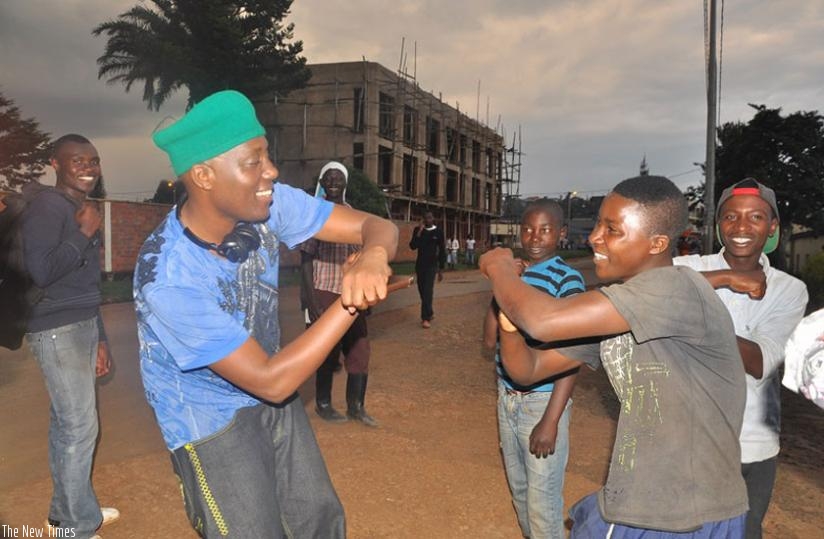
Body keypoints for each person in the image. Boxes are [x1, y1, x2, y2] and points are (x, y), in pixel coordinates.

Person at [134, 90, 398, 538]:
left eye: (267, 156)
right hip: (210, 420)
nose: (271, 171)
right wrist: (350, 301)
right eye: (254, 160)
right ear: (203, 175)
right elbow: (272, 381)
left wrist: (373, 255)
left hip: (275, 393)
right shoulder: (168, 277)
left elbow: (378, 226)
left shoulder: (268, 204)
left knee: (318, 520)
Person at [481, 175, 750, 537]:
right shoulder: (621, 308)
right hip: (640, 501)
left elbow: (543, 321)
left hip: (686, 515)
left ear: (657, 243)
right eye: (597, 225)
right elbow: (527, 370)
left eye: (612, 229)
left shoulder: (676, 288)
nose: (594, 237)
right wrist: (510, 324)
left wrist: (500, 269)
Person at [674, 178, 808, 539]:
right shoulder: (688, 267)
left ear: (772, 227)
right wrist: (722, 278)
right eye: (731, 217)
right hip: (688, 440)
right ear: (718, 225)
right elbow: (641, 288)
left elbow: (761, 361)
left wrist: (693, 316)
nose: (742, 227)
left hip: (752, 445)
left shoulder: (789, 289)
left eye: (756, 217)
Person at [21, 134, 119, 538]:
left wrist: (100, 338)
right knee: (80, 426)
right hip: (56, 329)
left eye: (93, 161)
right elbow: (41, 270)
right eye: (77, 160)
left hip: (78, 324)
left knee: (68, 425)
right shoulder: (47, 206)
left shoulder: (78, 209)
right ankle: (77, 527)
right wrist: (83, 233)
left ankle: (65, 515)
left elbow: (85, 283)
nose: (88, 168)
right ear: (56, 164)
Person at [482, 200, 584, 539]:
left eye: (545, 229)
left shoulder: (567, 279)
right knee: (522, 493)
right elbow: (488, 338)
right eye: (527, 229)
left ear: (562, 233)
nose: (534, 237)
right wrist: (505, 282)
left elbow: (573, 355)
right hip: (507, 399)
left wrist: (551, 421)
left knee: (543, 503)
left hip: (542, 403)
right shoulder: (516, 272)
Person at [300, 161, 378, 427]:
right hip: (324, 289)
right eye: (328, 178)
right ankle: (323, 404)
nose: (333, 182)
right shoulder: (315, 215)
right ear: (322, 182)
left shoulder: (355, 216)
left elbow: (363, 256)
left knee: (359, 347)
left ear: (345, 183)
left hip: (351, 292)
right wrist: (310, 300)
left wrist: (367, 294)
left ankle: (356, 407)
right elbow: (306, 259)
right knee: (327, 350)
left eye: (338, 178)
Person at [410, 210, 446, 328]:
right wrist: (419, 232)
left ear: (433, 218)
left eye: (430, 217)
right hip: (420, 265)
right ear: (423, 219)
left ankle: (425, 318)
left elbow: (442, 250)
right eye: (426, 218)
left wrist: (441, 269)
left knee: (427, 291)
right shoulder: (418, 230)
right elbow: (412, 246)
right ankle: (429, 312)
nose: (428, 220)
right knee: (422, 291)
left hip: (432, 266)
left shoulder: (438, 232)